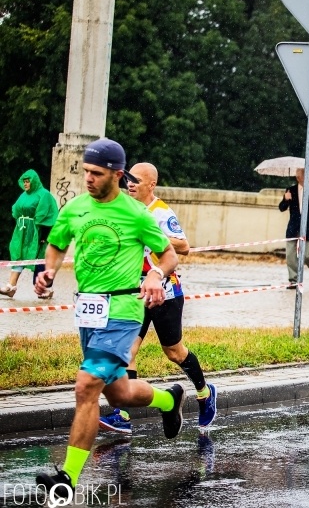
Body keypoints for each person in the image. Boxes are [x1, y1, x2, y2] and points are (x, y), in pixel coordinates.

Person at [33, 139, 184, 499]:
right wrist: (48, 271)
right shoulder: (76, 208)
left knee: (86, 385)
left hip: (122, 311)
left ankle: (66, 480)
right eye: (85, 171)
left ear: (117, 175)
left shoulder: (136, 213)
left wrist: (154, 275)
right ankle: (168, 400)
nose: (87, 178)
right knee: (117, 395)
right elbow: (56, 243)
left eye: (96, 173)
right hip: (87, 311)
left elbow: (169, 256)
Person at [98, 162, 217, 434]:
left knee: (173, 352)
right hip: (135, 293)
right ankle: (123, 414)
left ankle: (204, 393)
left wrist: (152, 235)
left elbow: (184, 246)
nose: (130, 184)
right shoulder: (126, 210)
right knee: (127, 350)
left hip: (166, 293)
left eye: (136, 180)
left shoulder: (160, 212)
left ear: (151, 185)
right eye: (128, 179)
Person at [0, 170, 59, 299]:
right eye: (24, 181)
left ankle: (45, 289)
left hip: (38, 232)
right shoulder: (23, 195)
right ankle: (11, 286)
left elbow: (48, 215)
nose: (26, 184)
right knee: (18, 254)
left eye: (28, 181)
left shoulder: (44, 195)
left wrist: (44, 236)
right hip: (22, 231)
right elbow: (16, 210)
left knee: (40, 259)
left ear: (34, 181)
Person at [278, 167, 309, 288]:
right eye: (299, 176)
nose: (301, 178)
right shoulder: (291, 190)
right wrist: (285, 199)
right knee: (290, 255)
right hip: (293, 228)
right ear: (297, 178)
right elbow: (282, 208)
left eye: (303, 176)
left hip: (308, 228)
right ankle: (293, 280)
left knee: (308, 256)